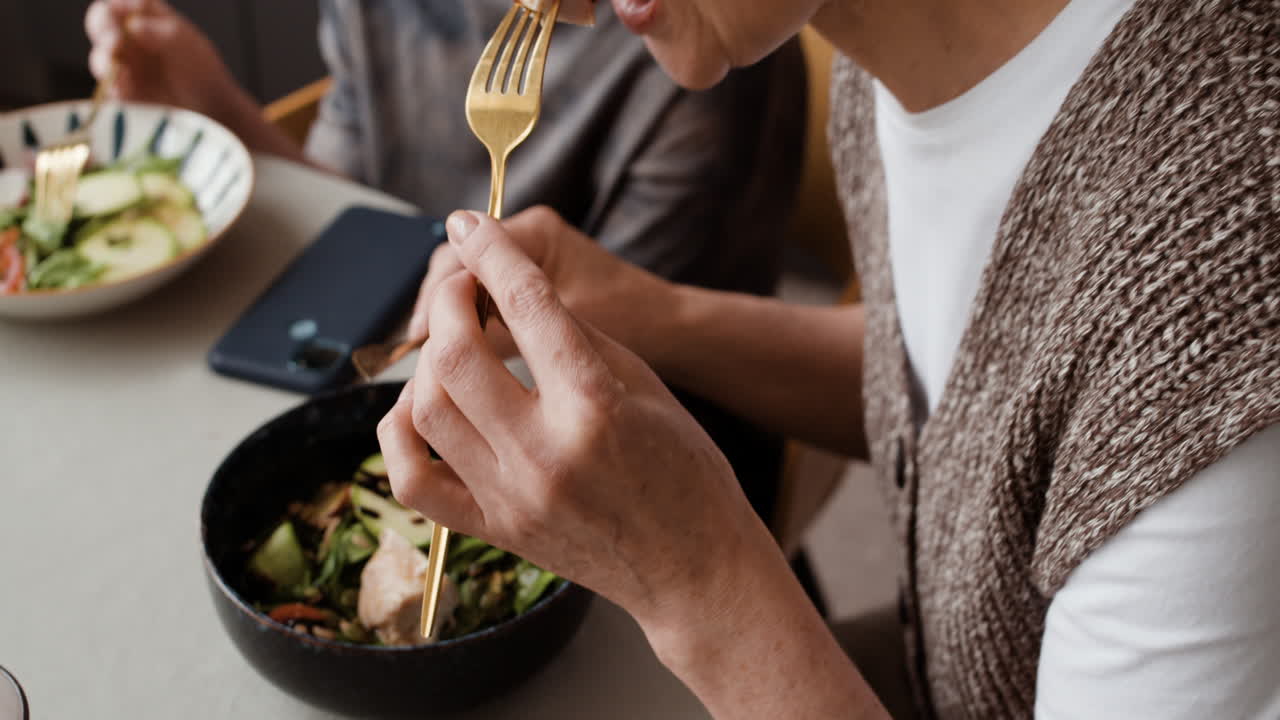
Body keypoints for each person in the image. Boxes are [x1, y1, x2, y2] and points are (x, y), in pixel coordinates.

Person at [380, 0, 1280, 717]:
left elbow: (1137, 391)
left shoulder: (1228, 271)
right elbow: (998, 399)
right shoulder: (892, 49)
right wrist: (655, 314)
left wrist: (698, 574)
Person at [85, 0, 806, 527]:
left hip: (651, 490)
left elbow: (628, 405)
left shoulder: (690, 42)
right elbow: (364, 223)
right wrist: (216, 109)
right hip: (419, 414)